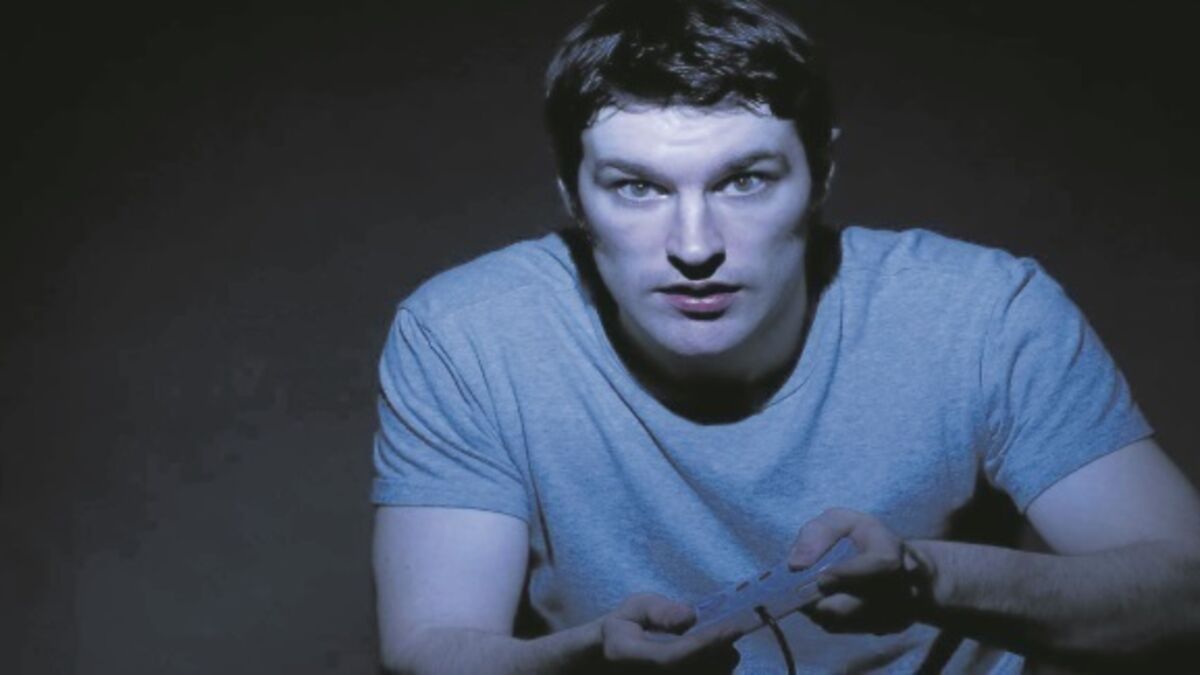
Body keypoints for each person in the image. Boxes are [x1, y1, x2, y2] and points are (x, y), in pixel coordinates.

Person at [369, 0, 1200, 672]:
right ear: (572, 197)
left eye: (744, 179)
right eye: (637, 188)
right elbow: (431, 645)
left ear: (820, 175)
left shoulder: (982, 312)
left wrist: (925, 576)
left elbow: (1187, 594)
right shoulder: (466, 336)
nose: (695, 245)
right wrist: (587, 660)